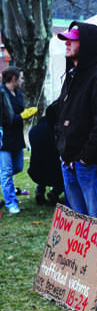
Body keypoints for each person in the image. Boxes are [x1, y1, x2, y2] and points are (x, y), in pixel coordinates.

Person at [54, 21, 97, 305]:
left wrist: (84, 157)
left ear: (89, 45)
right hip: (71, 164)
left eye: (73, 39)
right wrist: (63, 148)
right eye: (66, 39)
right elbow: (64, 113)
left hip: (90, 167)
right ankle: (82, 285)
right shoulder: (73, 76)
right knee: (78, 229)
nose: (67, 43)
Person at [0, 66, 38, 214]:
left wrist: (25, 114)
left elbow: (18, 112)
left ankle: (4, 177)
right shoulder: (1, 94)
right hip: (3, 139)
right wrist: (21, 117)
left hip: (16, 137)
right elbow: (4, 119)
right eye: (20, 78)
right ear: (14, 79)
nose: (22, 81)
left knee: (18, 167)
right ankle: (11, 203)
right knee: (6, 172)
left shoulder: (18, 94)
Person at [28, 101, 64, 205]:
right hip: (55, 174)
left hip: (35, 172)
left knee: (42, 164)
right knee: (66, 170)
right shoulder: (57, 132)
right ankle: (55, 192)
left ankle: (40, 190)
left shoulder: (33, 131)